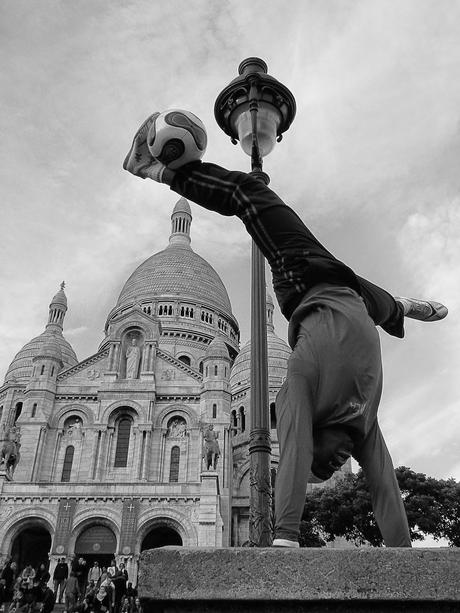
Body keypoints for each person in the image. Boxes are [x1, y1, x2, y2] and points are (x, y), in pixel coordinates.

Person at [124, 112, 448, 548]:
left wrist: (286, 537)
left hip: (304, 282)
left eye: (323, 463)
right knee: (364, 292)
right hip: (353, 294)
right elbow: (385, 486)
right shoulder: (362, 425)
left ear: (308, 436)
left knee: (249, 194)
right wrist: (404, 553)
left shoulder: (299, 384)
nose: (335, 462)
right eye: (333, 468)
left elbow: (291, 451)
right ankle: (403, 306)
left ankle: (157, 169)